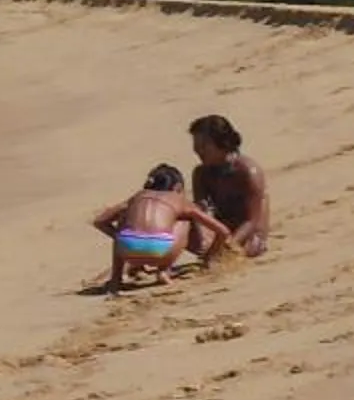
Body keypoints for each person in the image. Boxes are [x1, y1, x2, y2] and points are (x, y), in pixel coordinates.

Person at [93, 163, 235, 291]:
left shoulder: (136, 197)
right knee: (184, 219)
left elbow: (100, 221)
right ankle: (163, 270)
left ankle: (116, 278)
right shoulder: (179, 199)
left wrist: (122, 238)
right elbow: (223, 231)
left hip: (128, 251)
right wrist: (209, 256)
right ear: (178, 188)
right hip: (160, 250)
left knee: (124, 223)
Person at [187, 114, 271, 258]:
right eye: (196, 145)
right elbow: (200, 211)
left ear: (222, 143)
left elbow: (251, 220)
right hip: (222, 228)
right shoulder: (201, 174)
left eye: (204, 145)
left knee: (248, 249)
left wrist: (229, 244)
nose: (198, 150)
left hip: (249, 231)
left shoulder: (247, 171)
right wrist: (205, 240)